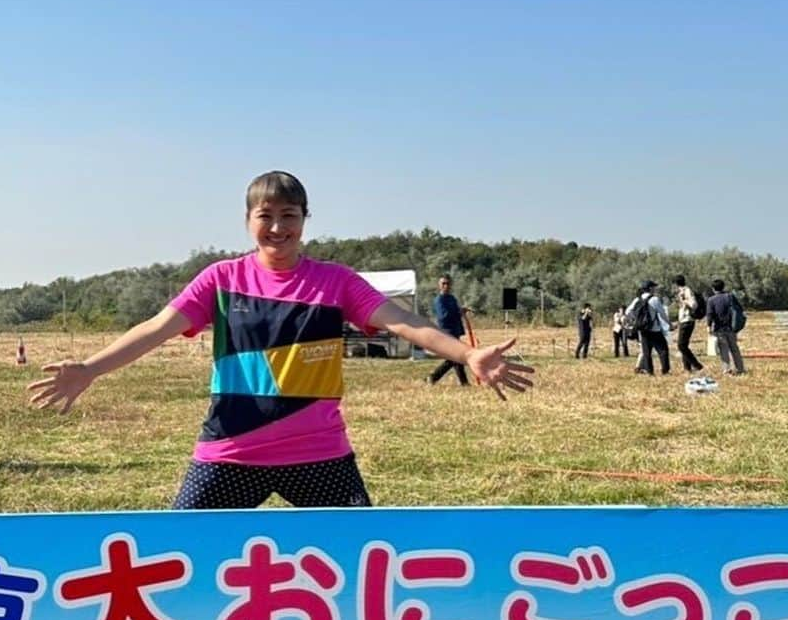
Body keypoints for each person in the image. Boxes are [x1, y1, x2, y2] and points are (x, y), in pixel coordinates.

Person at [30, 171, 535, 508]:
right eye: (265, 216)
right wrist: (90, 369)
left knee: (360, 564)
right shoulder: (220, 280)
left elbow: (404, 322)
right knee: (180, 559)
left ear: (304, 220)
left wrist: (467, 353)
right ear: (248, 222)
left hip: (317, 451)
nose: (277, 227)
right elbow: (154, 329)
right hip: (231, 452)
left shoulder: (336, 281)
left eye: (289, 216)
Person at [427, 275, 471, 385]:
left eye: (448, 283)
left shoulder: (452, 298)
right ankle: (434, 377)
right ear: (439, 285)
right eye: (443, 283)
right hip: (447, 331)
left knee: (455, 357)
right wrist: (458, 312)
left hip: (455, 330)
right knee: (456, 357)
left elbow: (456, 312)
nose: (446, 286)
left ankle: (433, 378)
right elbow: (443, 316)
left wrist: (461, 311)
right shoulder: (439, 300)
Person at [706, 278, 746, 376]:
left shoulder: (711, 300)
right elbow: (739, 309)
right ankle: (740, 368)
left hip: (719, 328)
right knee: (734, 348)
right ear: (723, 287)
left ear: (713, 289)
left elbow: (710, 314)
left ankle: (727, 370)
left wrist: (708, 326)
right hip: (731, 327)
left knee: (724, 350)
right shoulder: (730, 296)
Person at [632, 279, 671, 376]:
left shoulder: (637, 299)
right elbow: (662, 314)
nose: (655, 289)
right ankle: (665, 371)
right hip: (655, 329)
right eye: (654, 287)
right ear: (650, 288)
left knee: (646, 352)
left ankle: (650, 371)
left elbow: (629, 311)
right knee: (663, 350)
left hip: (643, 330)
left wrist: (636, 321)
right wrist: (669, 324)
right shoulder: (654, 299)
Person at [672, 273, 705, 373]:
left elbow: (693, 304)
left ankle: (697, 365)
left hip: (688, 320)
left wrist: (685, 301)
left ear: (676, 284)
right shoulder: (682, 292)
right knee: (684, 346)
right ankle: (687, 368)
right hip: (684, 320)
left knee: (681, 345)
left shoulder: (687, 291)